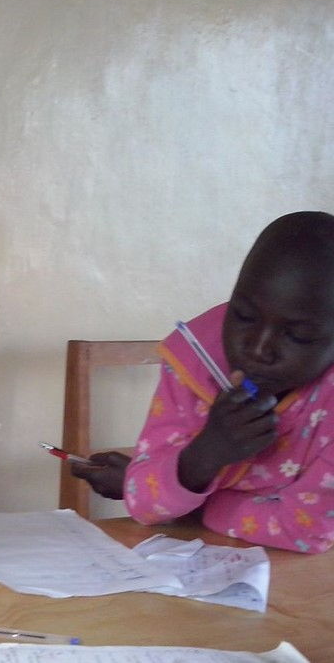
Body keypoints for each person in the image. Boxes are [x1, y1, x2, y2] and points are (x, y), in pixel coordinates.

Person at [75, 211, 334, 552]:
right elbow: (144, 505)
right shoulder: (193, 363)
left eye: (298, 335)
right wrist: (206, 452)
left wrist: (197, 507)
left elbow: (309, 530)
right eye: (243, 316)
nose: (258, 348)